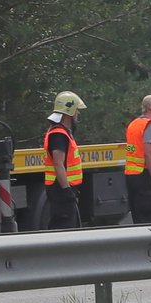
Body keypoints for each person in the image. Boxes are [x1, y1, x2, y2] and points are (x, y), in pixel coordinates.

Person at [43, 91, 87, 229]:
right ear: (70, 111)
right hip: (60, 188)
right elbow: (58, 164)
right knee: (63, 226)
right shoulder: (58, 134)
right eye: (76, 111)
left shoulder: (61, 132)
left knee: (67, 224)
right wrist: (66, 189)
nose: (77, 114)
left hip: (62, 188)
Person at [125, 95, 151, 224]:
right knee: (148, 217)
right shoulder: (148, 125)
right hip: (143, 175)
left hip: (130, 175)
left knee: (137, 216)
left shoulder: (133, 124)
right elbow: (148, 152)